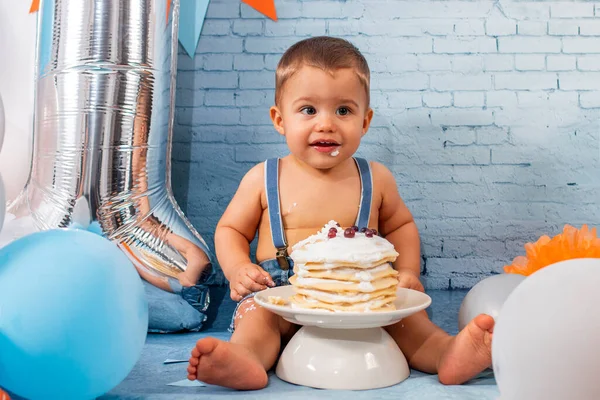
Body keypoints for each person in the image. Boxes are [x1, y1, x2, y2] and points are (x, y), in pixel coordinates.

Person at [187, 36, 494, 390]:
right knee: (258, 322)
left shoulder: (375, 178)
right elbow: (230, 230)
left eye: (343, 111)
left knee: (409, 323)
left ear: (365, 121)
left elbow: (402, 225)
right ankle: (245, 359)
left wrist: (407, 272)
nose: (326, 124)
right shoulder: (264, 177)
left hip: (360, 297)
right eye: (308, 110)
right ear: (279, 119)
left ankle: (446, 353)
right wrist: (239, 268)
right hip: (281, 293)